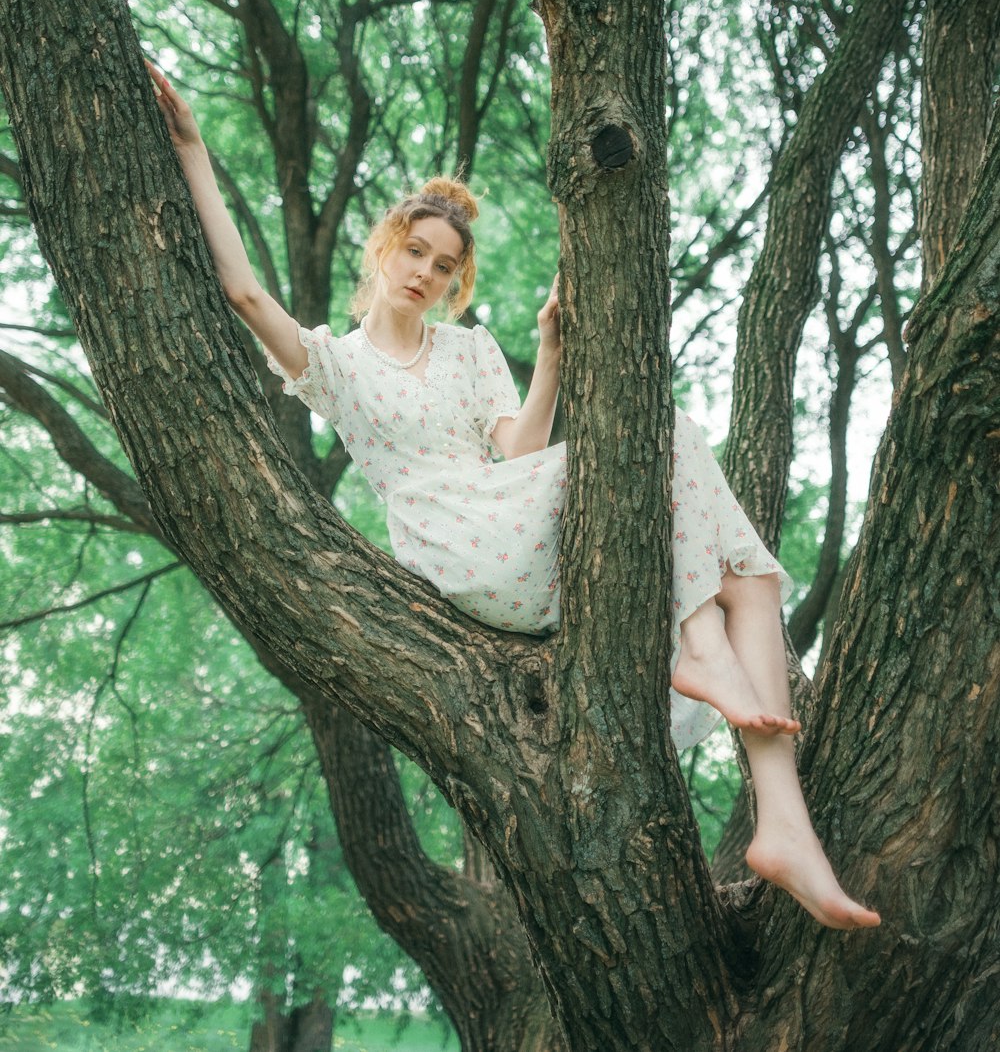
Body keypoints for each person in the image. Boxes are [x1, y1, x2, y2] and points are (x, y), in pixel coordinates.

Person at [145, 61, 880, 931]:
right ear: (384, 249)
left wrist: (551, 353)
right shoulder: (333, 365)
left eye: (445, 265)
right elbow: (240, 290)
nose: (426, 271)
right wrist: (191, 147)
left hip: (514, 517)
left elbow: (520, 450)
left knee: (749, 574)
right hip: (458, 549)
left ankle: (782, 821)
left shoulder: (468, 348)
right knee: (667, 436)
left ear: (457, 281)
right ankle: (699, 646)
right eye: (414, 251)